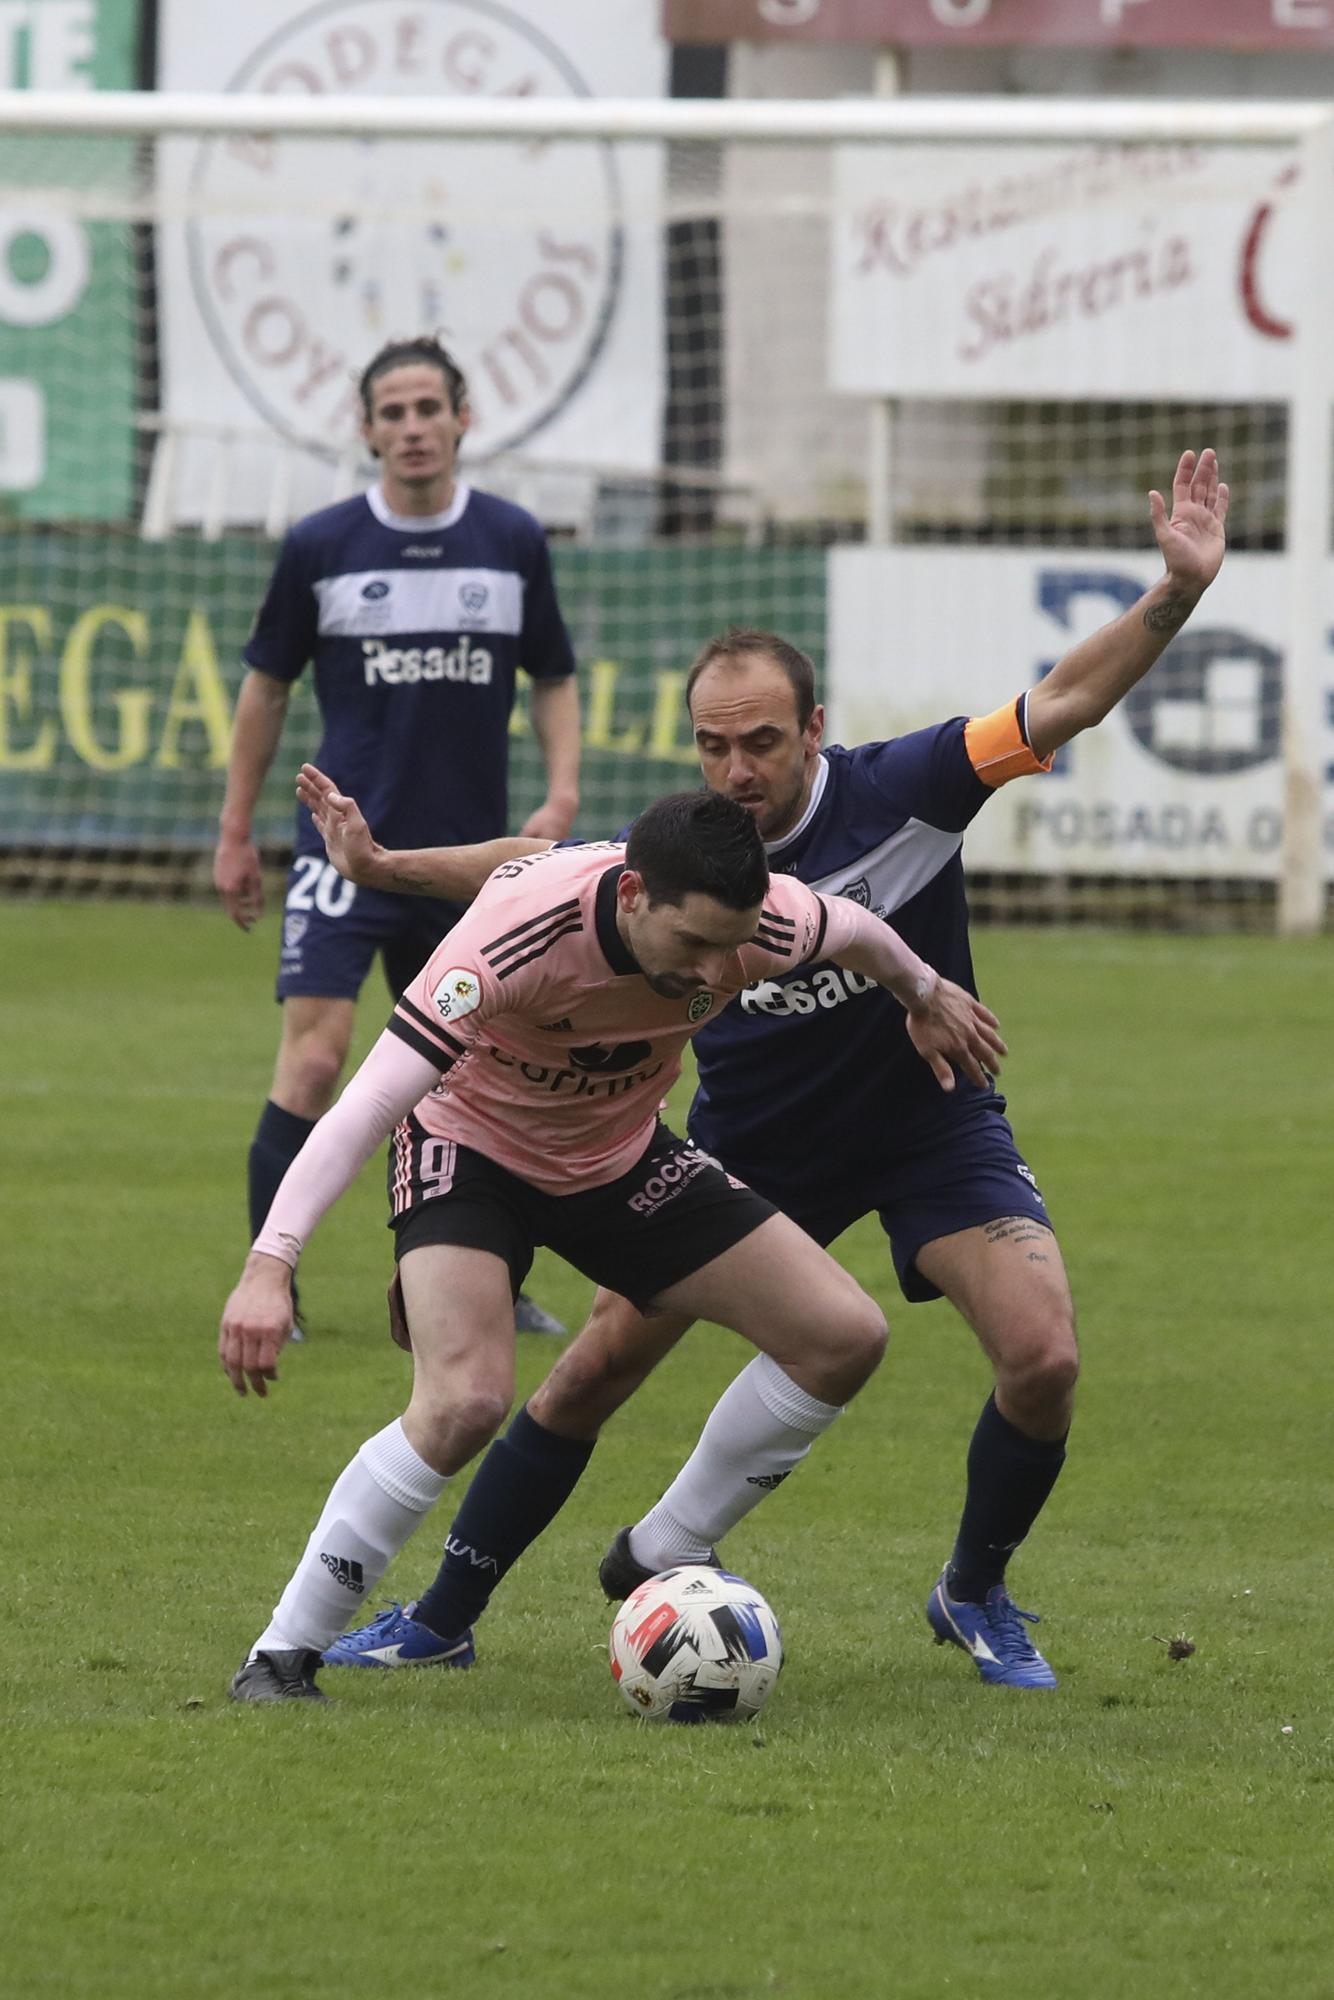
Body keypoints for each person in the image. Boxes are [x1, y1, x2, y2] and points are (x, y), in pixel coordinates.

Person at [306, 446, 1229, 1690]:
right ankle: (441, 1611)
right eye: (710, 746)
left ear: (812, 730)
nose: (734, 770)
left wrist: (1171, 595)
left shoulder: (910, 786)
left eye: (757, 742)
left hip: (925, 1124)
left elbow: (1062, 699)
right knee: (590, 1368)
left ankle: (964, 1588)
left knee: (1044, 1353)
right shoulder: (692, 848)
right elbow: (533, 864)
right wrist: (384, 864)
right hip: (743, 1139)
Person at [220, 791, 1006, 1701]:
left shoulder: (764, 924)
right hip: (470, 1152)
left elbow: (861, 932)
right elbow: (365, 1107)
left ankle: (664, 1546)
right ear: (631, 894)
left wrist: (923, 994)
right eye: (696, 945)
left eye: (734, 943)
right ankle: (281, 1655)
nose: (721, 967)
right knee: (466, 1401)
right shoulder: (511, 945)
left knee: (844, 1335)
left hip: (619, 1159)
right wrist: (270, 1263)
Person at [212, 333, 579, 1339]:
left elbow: (552, 676)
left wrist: (558, 795)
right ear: (367, 428)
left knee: (484, 1068)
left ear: (463, 418)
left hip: (464, 867)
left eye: (429, 408)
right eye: (393, 412)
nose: (412, 428)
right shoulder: (323, 544)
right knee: (317, 1059)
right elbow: (266, 687)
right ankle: (271, 1285)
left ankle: (487, 1282)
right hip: (342, 850)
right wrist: (236, 827)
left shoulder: (509, 539)